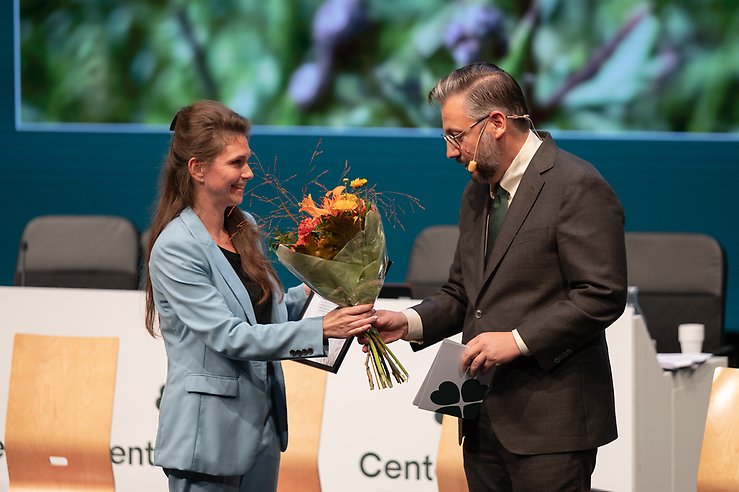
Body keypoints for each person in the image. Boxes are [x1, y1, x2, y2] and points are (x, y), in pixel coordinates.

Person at [371, 63, 627, 491]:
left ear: (495, 123)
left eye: (456, 135)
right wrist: (410, 322)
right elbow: (463, 292)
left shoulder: (576, 184)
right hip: (482, 417)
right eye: (446, 136)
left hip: (552, 426)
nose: (450, 151)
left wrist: (517, 339)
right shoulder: (478, 189)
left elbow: (601, 294)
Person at [143, 100, 376, 492]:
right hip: (208, 438)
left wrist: (333, 283)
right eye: (236, 163)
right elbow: (230, 336)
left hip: (262, 430)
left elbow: (269, 312)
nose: (248, 173)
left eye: (247, 161)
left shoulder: (244, 226)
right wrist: (322, 329)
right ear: (197, 169)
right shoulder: (175, 247)